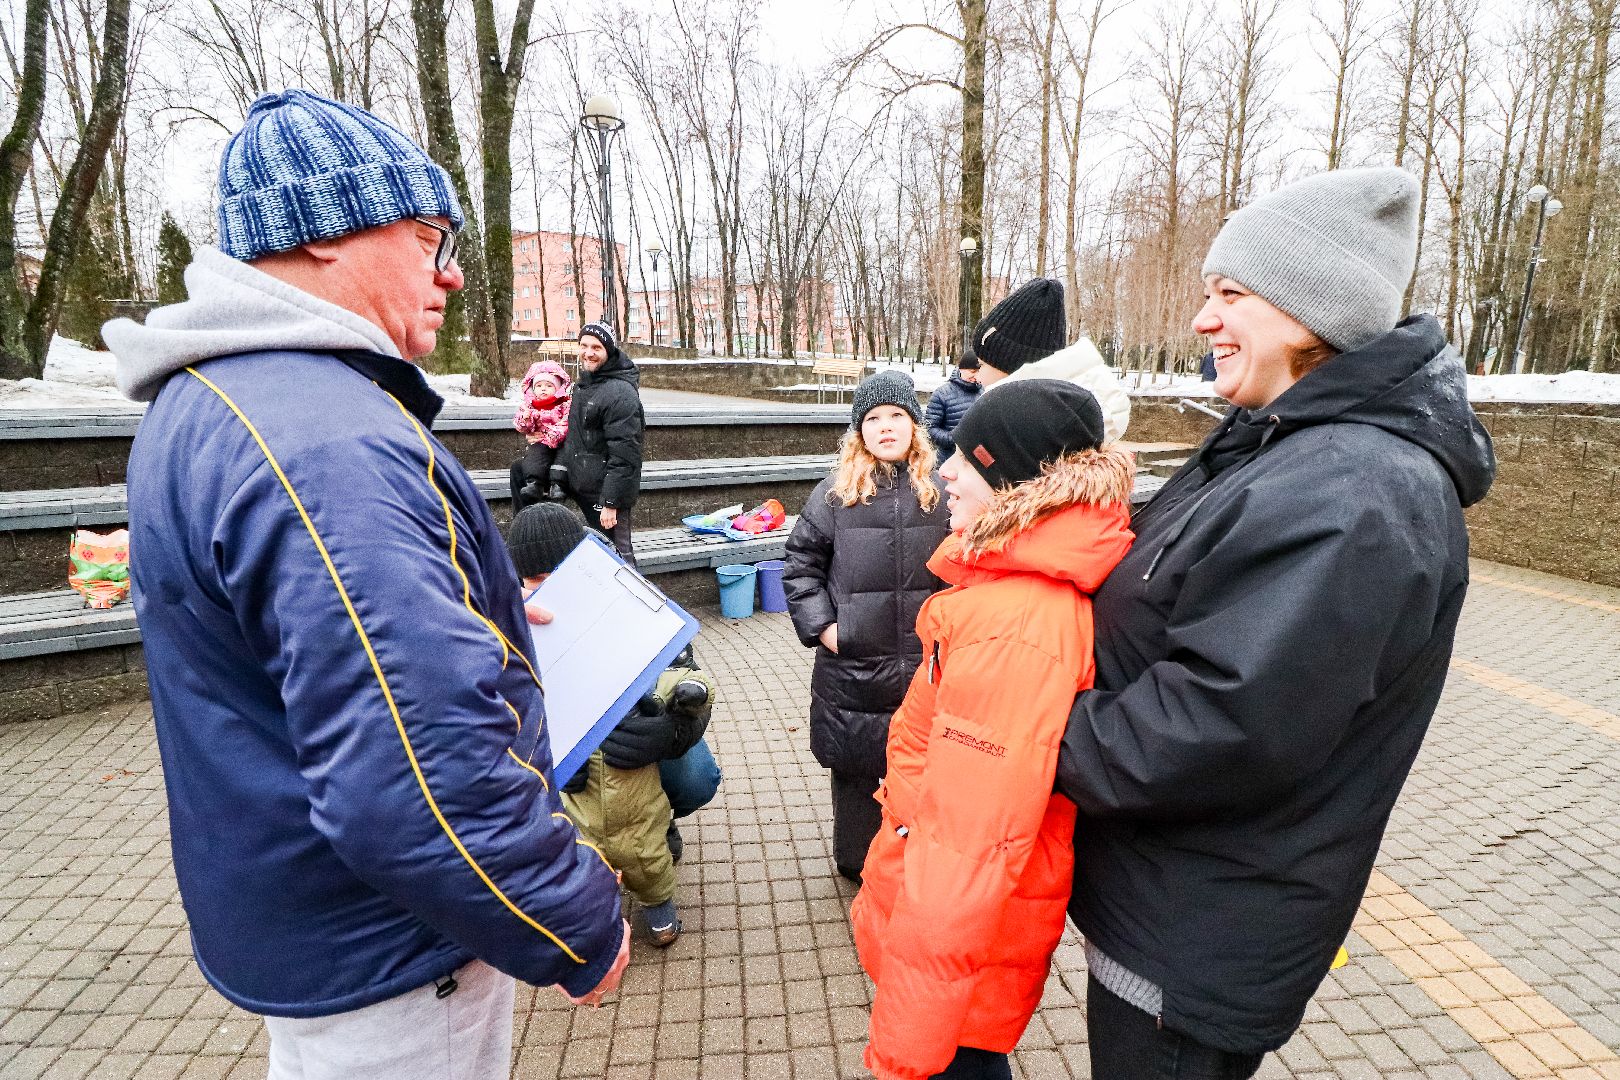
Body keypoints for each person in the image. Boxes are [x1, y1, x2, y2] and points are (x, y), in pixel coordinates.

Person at [102, 89, 628, 1079]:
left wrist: (470, 606)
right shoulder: (326, 439)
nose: (453, 271)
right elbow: (418, 781)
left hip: (311, 927)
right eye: (429, 237)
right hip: (393, 950)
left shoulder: (213, 396)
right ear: (323, 236)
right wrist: (577, 922)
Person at [1052, 167, 1496, 1076]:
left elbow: (1224, 724)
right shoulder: (1283, 443)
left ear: (1310, 311)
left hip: (1199, 933)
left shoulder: (1354, 487)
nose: (1204, 320)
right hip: (1170, 899)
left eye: (1231, 295)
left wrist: (1024, 726)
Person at [852, 381, 1135, 1080]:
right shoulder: (1005, 587)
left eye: (966, 461)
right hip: (959, 935)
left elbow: (965, 853)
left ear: (1013, 482)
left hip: (958, 949)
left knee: (956, 1061)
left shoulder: (1017, 622)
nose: (944, 469)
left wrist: (902, 1055)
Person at [505, 503, 717, 948]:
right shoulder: (504, 616)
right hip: (567, 758)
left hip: (637, 740)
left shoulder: (625, 593)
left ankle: (663, 825)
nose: (548, 592)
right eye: (535, 581)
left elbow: (687, 673)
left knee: (695, 777)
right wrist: (549, 758)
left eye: (558, 575)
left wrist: (674, 731)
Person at [783, 371, 950, 883]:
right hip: (854, 666)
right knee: (857, 771)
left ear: (915, 425)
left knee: (925, 771)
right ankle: (856, 863)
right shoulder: (834, 495)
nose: (885, 427)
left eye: (896, 415)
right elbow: (800, 565)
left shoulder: (944, 491)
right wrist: (827, 629)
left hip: (929, 670)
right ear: (859, 430)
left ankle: (914, 857)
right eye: (872, 418)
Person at [968, 277, 1132, 443]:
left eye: (981, 365)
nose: (976, 376)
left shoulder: (1027, 430)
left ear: (1010, 365)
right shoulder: (1053, 418)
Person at [557, 321, 644, 562]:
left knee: (620, 560)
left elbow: (626, 454)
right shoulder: (587, 384)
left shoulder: (620, 393)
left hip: (606, 496)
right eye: (584, 345)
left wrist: (611, 502)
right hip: (587, 488)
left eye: (596, 347)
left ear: (609, 351)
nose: (588, 352)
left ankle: (634, 601)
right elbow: (575, 437)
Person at [508, 360, 572, 512]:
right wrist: (526, 419)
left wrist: (551, 436)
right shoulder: (529, 406)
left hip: (560, 443)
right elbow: (522, 426)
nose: (543, 389)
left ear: (557, 388)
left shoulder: (564, 403)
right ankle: (534, 484)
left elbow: (566, 423)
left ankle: (558, 485)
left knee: (560, 458)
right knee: (533, 456)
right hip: (541, 444)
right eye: (539, 386)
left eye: (549, 386)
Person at [923, 349, 980, 459]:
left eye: (979, 372)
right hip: (948, 459)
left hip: (977, 462)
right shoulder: (942, 394)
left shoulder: (986, 391)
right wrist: (955, 439)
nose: (977, 377)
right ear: (961, 369)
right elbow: (929, 429)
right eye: (973, 372)